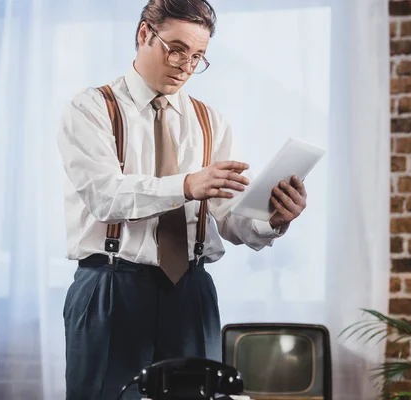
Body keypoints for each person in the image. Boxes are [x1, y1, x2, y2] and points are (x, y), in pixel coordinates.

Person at [56, 0, 308, 399]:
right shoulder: (91, 109)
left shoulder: (211, 122)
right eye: (176, 49)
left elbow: (227, 219)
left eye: (198, 57)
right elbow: (105, 196)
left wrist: (274, 219)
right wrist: (187, 184)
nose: (185, 65)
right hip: (110, 286)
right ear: (144, 34)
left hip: (191, 290)